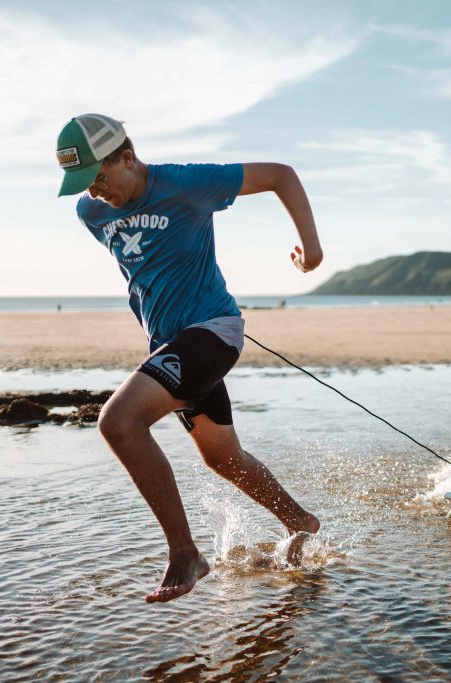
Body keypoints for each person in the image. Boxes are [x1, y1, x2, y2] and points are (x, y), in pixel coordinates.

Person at [55, 113, 322, 603]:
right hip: (170, 346)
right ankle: (299, 520)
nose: (94, 192)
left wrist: (313, 252)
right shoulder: (91, 213)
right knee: (223, 458)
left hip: (212, 333)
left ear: (127, 157)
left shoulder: (186, 183)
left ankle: (185, 553)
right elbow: (150, 268)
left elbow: (281, 174)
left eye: (99, 176)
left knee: (119, 422)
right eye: (83, 183)